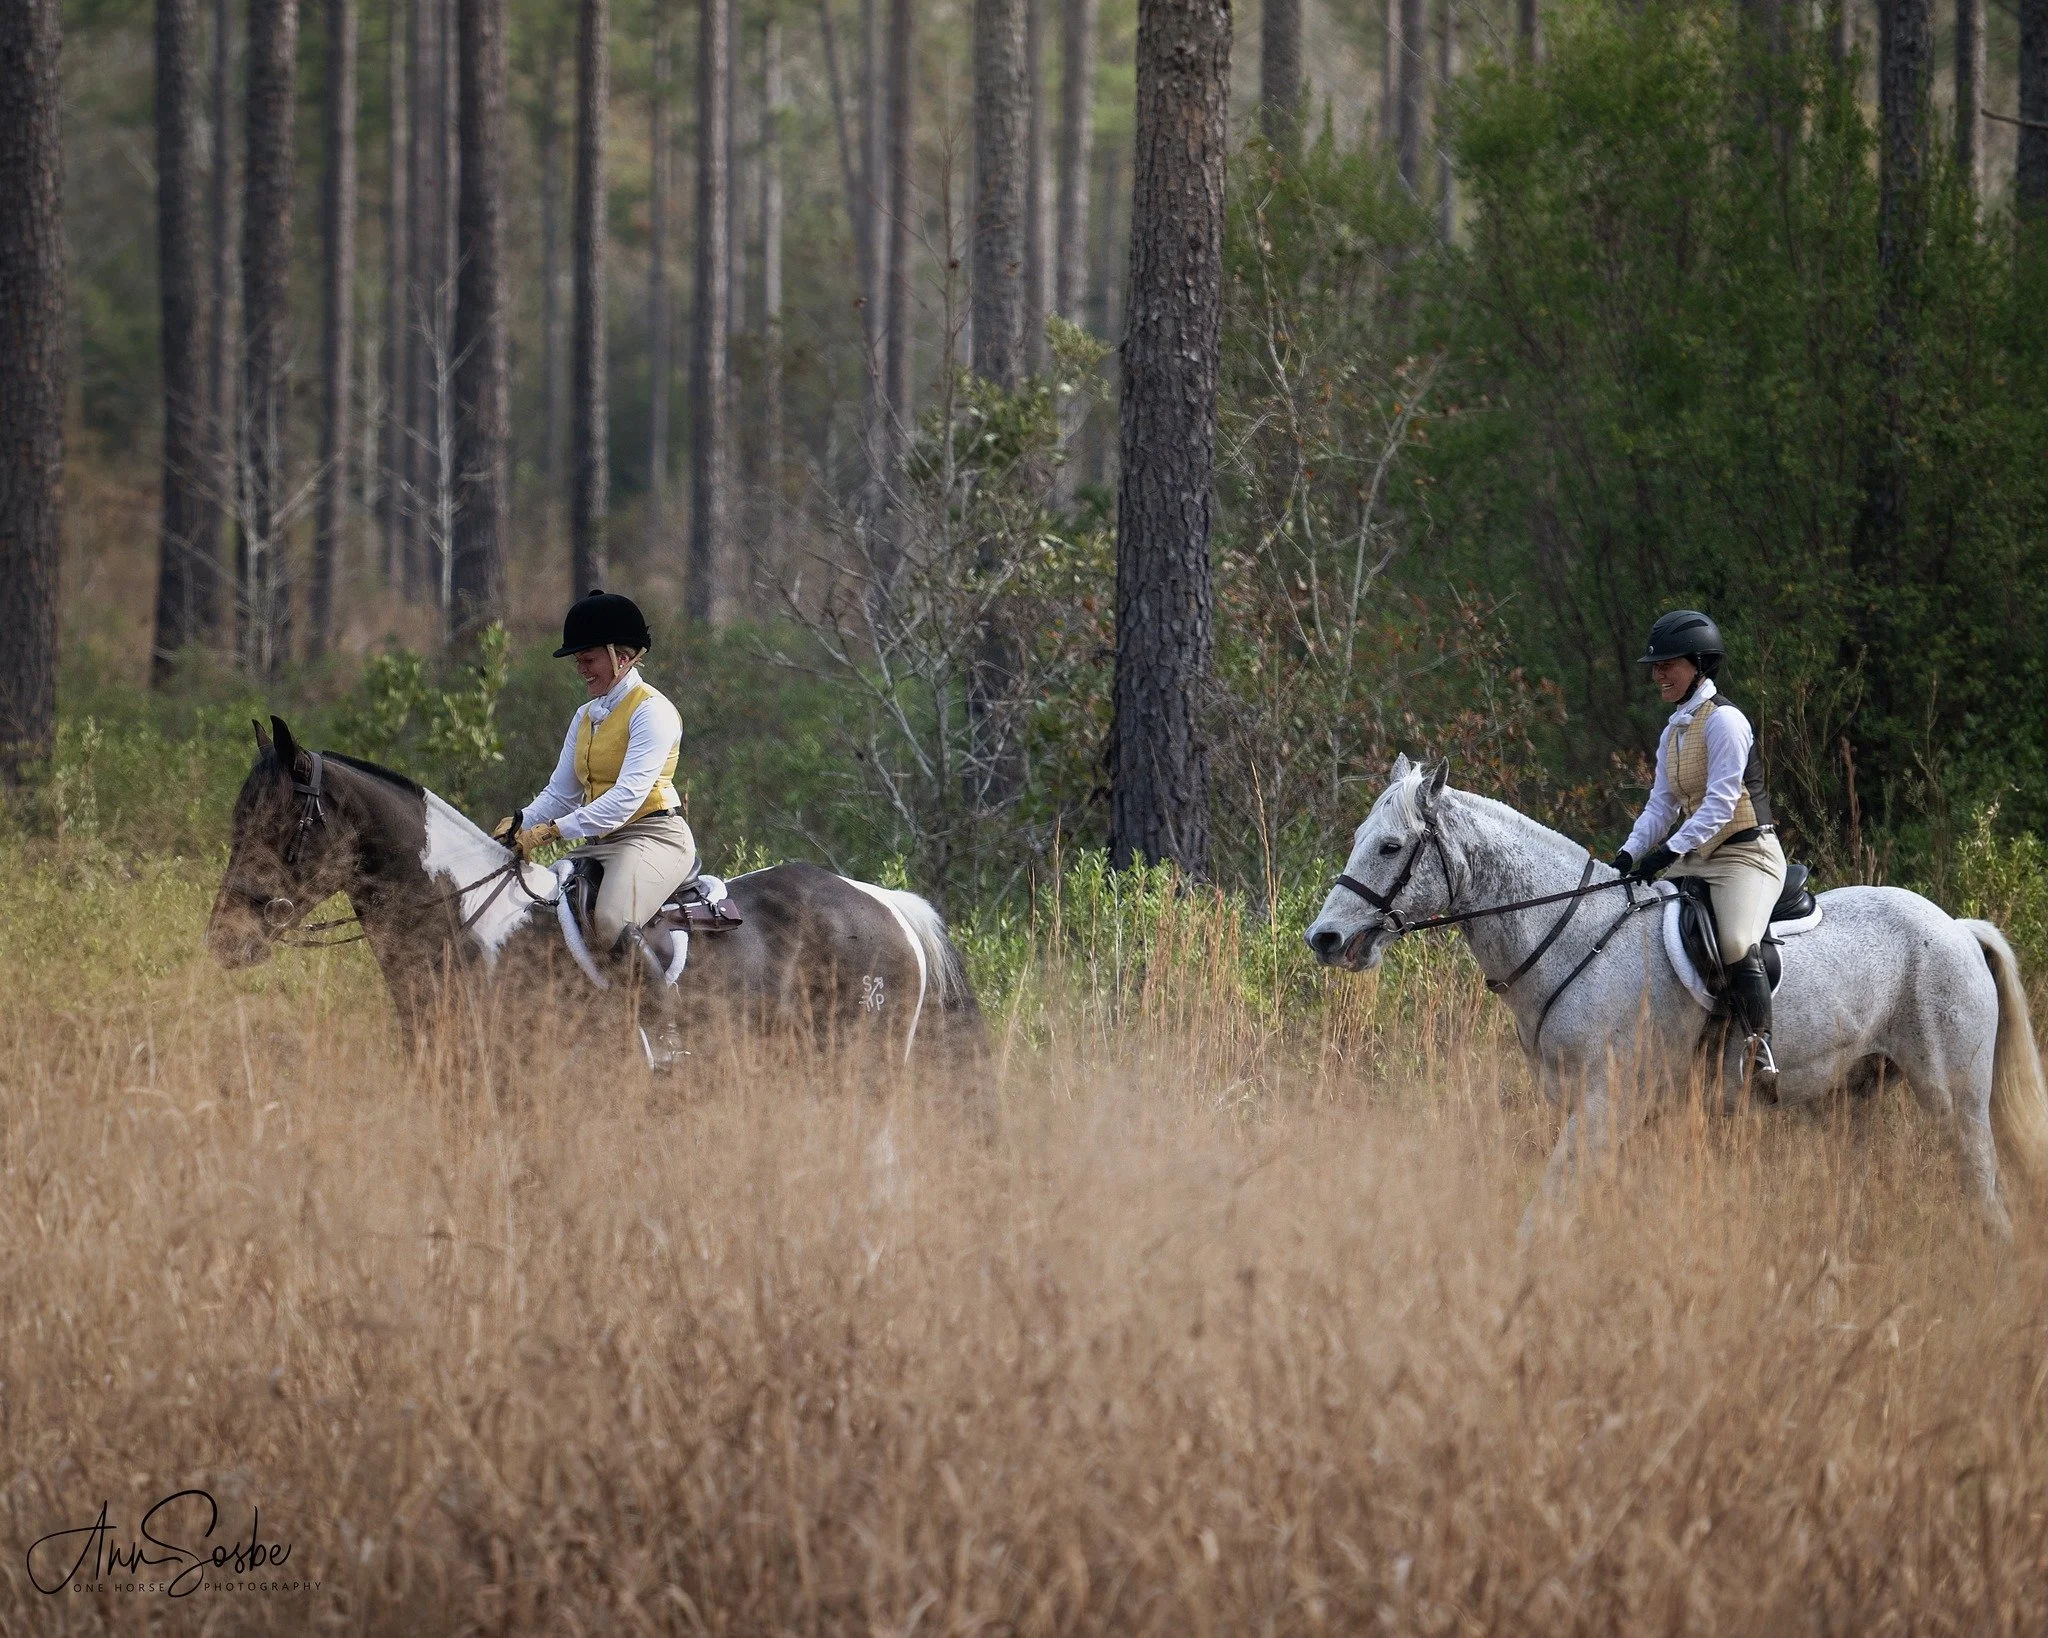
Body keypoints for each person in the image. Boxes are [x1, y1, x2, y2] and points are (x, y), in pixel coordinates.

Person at [1609, 609, 1787, 1096]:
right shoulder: (1674, 731)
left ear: (1700, 665)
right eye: (1656, 665)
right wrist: (1627, 855)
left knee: (1733, 940)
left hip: (1746, 855)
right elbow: (1660, 805)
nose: (1657, 673)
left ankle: (1759, 1046)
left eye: (1668, 664)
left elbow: (1720, 804)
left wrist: (1665, 853)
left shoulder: (1725, 722)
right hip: (1698, 855)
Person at [494, 589, 697, 965]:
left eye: (588, 660)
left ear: (620, 657)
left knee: (609, 920)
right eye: (578, 662)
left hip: (654, 838)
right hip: (601, 841)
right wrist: (521, 821)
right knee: (546, 911)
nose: (581, 669)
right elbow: (560, 793)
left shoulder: (653, 712)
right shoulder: (586, 715)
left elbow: (625, 799)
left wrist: (551, 831)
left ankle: (666, 1022)